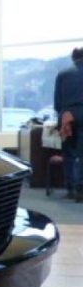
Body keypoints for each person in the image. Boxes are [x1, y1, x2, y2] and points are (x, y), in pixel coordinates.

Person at [54, 47, 83, 199]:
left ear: (73, 58)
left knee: (69, 153)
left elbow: (57, 101)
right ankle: (81, 189)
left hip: (66, 115)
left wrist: (63, 114)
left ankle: (70, 188)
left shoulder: (63, 73)